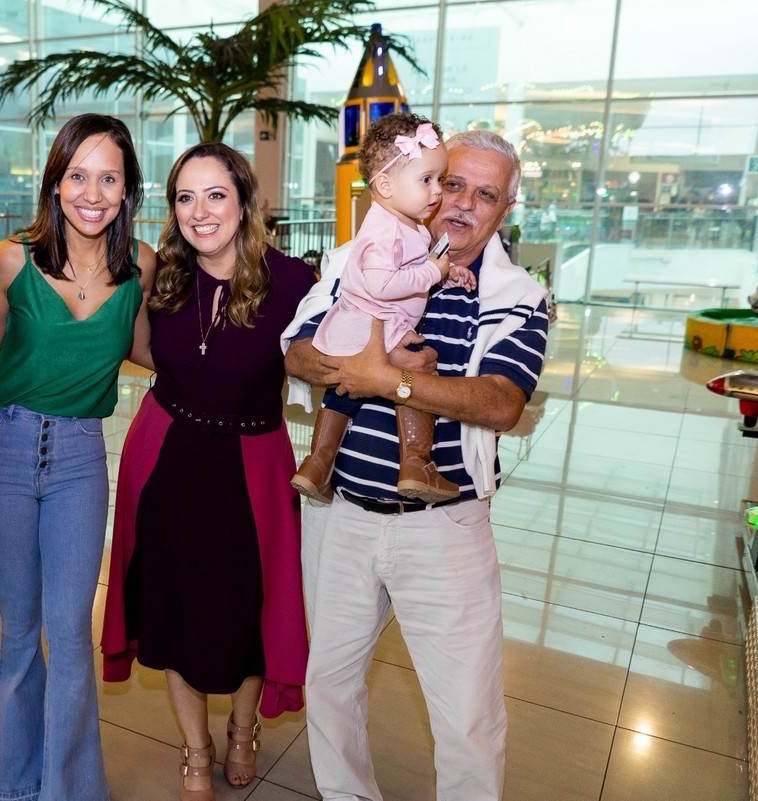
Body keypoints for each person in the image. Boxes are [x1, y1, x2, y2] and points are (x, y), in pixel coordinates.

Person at [283, 129, 550, 801]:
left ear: (505, 208)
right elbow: (296, 353)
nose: (459, 203)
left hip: (445, 529)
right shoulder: (356, 258)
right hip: (341, 519)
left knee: (467, 719)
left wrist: (390, 381)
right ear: (423, 182)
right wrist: (347, 361)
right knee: (331, 685)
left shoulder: (518, 295)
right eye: (450, 182)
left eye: (484, 194)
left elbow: (501, 401)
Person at [101, 142, 313, 801]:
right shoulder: (160, 275)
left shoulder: (293, 282)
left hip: (251, 468)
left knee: (248, 614)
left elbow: (338, 362)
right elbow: (137, 346)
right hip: (165, 458)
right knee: (172, 612)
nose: (200, 211)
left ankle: (242, 729)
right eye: (185, 197)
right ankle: (195, 750)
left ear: (245, 201)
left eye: (215, 194)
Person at [0, 113, 155, 801]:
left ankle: (69, 791)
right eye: (79, 174)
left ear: (128, 189)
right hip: (0, 451)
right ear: (55, 181)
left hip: (78, 457)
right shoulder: (12, 258)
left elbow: (150, 352)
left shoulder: (141, 267)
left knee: (70, 635)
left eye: (109, 177)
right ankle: (13, 790)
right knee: (20, 634)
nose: (92, 192)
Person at [291, 113, 475, 506]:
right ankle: (416, 463)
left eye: (439, 179)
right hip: (373, 323)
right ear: (386, 185)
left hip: (378, 322)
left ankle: (317, 463)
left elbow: (411, 268)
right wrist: (431, 271)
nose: (437, 192)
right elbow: (383, 284)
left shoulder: (405, 224)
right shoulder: (382, 231)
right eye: (427, 180)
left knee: (342, 394)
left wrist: (446, 272)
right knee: (417, 370)